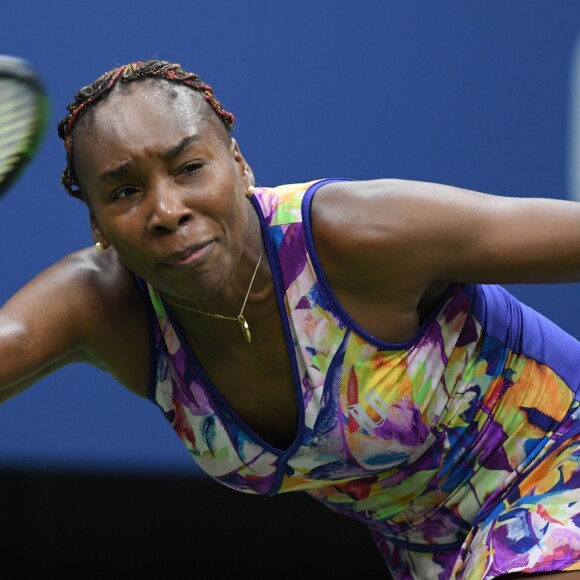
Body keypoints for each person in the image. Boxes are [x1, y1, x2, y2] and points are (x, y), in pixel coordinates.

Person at [1, 59, 579, 579]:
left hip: (558, 465)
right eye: (125, 191)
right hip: (432, 553)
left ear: (238, 163)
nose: (167, 211)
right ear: (96, 223)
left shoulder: (355, 235)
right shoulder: (103, 305)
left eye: (189, 168)